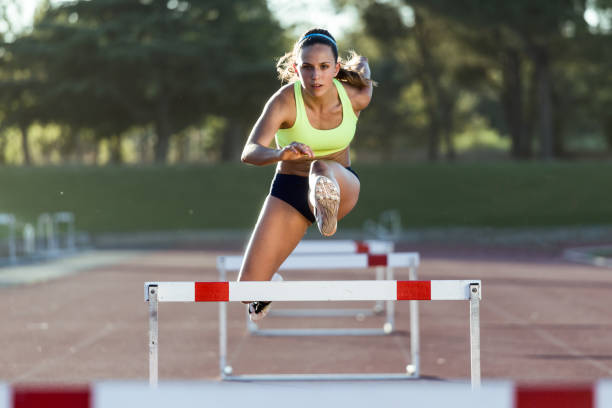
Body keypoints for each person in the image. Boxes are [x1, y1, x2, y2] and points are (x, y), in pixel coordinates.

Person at [238, 28, 373, 321]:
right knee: (246, 292)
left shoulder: (354, 97)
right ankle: (268, 285)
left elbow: (365, 79)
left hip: (341, 184)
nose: (316, 77)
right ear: (296, 68)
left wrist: (362, 64)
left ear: (336, 69)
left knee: (320, 167)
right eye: (308, 68)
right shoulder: (284, 101)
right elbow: (249, 151)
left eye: (325, 67)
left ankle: (325, 204)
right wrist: (279, 154)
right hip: (290, 190)